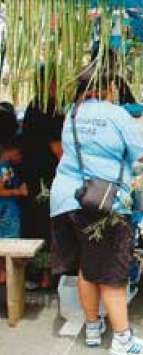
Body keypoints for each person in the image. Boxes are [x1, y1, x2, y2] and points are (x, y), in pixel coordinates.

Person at [50, 67, 143, 355]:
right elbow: (142, 156)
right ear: (108, 86)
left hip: (67, 198)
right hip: (103, 202)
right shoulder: (117, 115)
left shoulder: (71, 112)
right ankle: (123, 339)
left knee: (88, 265)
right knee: (111, 272)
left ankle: (93, 327)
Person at [20, 66, 64, 289]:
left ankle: (39, 274)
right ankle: (45, 276)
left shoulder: (35, 105)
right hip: (44, 178)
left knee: (37, 223)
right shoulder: (49, 109)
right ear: (49, 83)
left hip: (34, 173)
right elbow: (58, 150)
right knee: (45, 225)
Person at [0, 102, 29, 284]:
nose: (21, 156)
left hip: (7, 212)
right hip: (7, 213)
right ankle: (8, 280)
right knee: (11, 248)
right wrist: (19, 190)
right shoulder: (5, 169)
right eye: (18, 152)